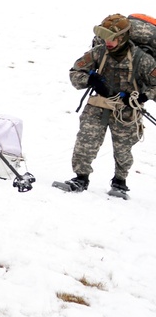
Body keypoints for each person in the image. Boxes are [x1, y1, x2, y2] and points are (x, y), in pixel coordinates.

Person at [65, 14, 156, 195]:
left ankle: (120, 182)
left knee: (123, 149)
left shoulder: (143, 60)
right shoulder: (98, 53)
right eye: (106, 38)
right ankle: (80, 178)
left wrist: (143, 97)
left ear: (122, 38)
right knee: (86, 142)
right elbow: (75, 72)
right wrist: (90, 79)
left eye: (113, 38)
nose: (108, 42)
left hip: (127, 111)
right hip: (98, 104)